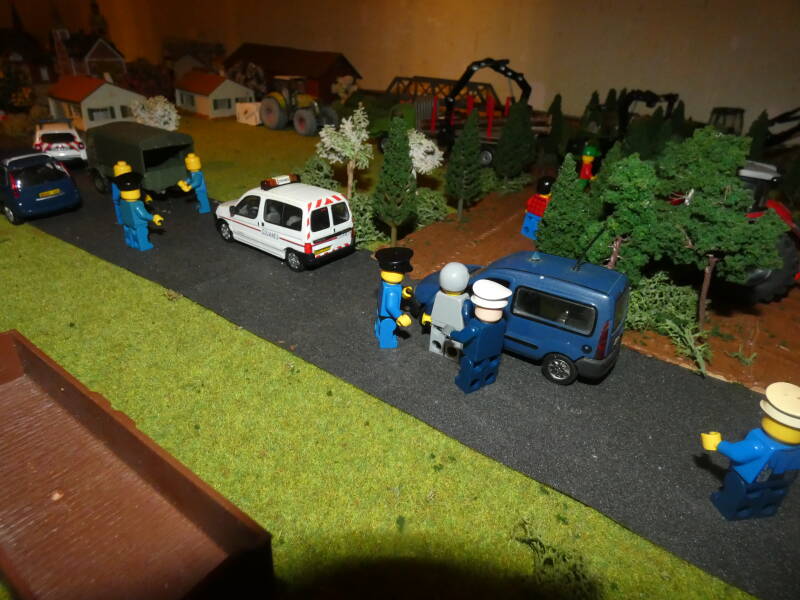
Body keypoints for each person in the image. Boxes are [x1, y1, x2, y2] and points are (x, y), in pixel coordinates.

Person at [701, 381, 800, 519]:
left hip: (746, 479)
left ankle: (726, 506)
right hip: (779, 481)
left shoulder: (759, 443)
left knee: (735, 492)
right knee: (769, 496)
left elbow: (737, 453)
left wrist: (718, 444)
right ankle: (765, 509)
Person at [448, 279, 512, 393]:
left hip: (473, 355)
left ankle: (465, 383)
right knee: (490, 367)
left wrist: (451, 333)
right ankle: (488, 379)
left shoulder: (475, 327)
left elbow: (462, 337)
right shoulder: (502, 323)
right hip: (493, 353)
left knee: (468, 366)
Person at [422, 262, 472, 360]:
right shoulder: (465, 299)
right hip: (454, 324)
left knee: (445, 339)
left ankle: (441, 349)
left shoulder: (439, 294)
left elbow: (430, 304)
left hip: (442, 322)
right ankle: (447, 351)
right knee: (449, 341)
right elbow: (467, 313)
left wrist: (427, 315)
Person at [374, 247, 414, 349]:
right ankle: (388, 343)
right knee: (388, 329)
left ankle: (378, 333)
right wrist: (400, 317)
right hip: (388, 317)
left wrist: (403, 293)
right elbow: (390, 306)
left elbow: (387, 297)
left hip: (380, 311)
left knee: (380, 325)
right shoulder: (392, 291)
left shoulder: (385, 284)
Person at [116, 171, 164, 251]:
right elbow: (143, 215)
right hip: (138, 224)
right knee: (141, 234)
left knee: (129, 232)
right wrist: (154, 217)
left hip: (127, 221)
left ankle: (131, 243)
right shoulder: (137, 204)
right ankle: (144, 245)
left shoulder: (122, 201)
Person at [521, 176, 555, 240]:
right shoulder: (547, 201)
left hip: (530, 213)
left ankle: (527, 232)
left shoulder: (534, 197)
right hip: (540, 216)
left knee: (530, 225)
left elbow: (528, 203)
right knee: (537, 227)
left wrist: (527, 209)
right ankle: (534, 235)